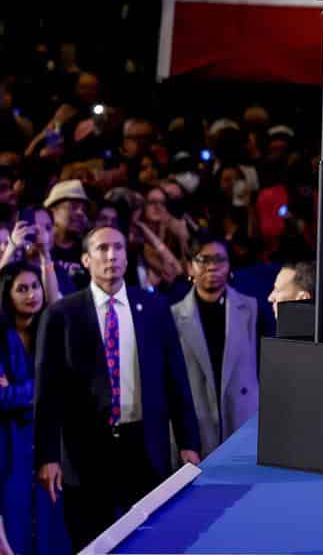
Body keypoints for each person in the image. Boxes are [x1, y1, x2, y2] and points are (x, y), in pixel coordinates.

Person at [33, 225, 201, 550]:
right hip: (85, 454)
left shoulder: (154, 308)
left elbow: (176, 380)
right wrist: (47, 456)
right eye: (103, 249)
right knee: (92, 542)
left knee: (153, 542)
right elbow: (48, 393)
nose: (112, 256)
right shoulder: (61, 314)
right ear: (85, 259)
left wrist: (188, 442)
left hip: (144, 447)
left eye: (119, 248)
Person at [170, 235, 258, 455]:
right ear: (190, 267)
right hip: (198, 421)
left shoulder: (252, 309)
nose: (212, 267)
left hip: (242, 416)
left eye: (220, 260)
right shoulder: (174, 315)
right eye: (204, 260)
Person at [2, 261, 61, 555]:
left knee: (53, 535)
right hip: (10, 449)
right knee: (16, 535)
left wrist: (17, 391)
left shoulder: (52, 331)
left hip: (51, 445)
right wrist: (42, 389)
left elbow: (65, 387)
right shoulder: (1, 338)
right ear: (8, 295)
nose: (31, 295)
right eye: (21, 289)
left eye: (35, 287)